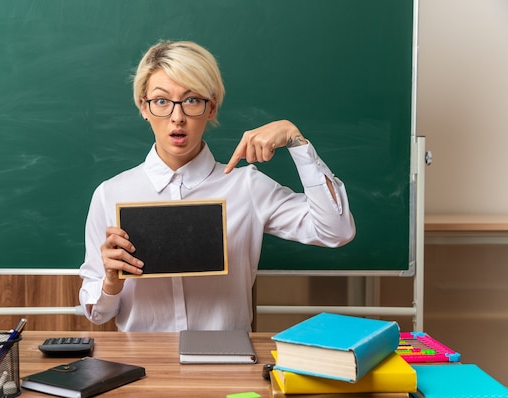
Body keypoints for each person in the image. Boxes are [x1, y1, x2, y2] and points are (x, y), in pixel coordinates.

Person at [79, 40, 355, 332]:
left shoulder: (246, 186)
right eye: (161, 101)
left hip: (227, 363)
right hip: (145, 365)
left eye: (191, 100)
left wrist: (297, 142)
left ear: (210, 108)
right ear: (143, 107)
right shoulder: (111, 194)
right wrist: (110, 281)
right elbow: (98, 315)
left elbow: (336, 231)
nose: (177, 117)